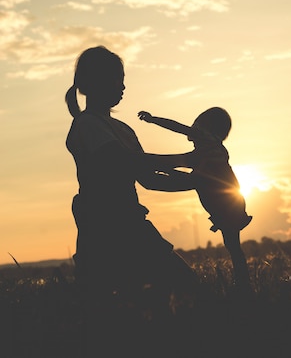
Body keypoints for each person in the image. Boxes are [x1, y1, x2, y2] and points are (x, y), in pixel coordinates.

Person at [65, 45, 197, 304]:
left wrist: (197, 180)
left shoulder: (123, 129)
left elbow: (149, 179)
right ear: (95, 82)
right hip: (103, 229)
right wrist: (186, 160)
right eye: (118, 79)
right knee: (117, 304)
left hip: (132, 224)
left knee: (175, 288)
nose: (123, 87)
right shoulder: (87, 124)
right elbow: (126, 162)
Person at [138, 107, 253, 290]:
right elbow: (177, 161)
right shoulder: (210, 152)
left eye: (196, 124)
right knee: (233, 246)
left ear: (206, 128)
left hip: (227, 204)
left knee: (233, 245)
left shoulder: (208, 145)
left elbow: (177, 130)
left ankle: (243, 285)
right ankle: (243, 284)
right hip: (232, 203)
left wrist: (154, 120)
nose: (192, 131)